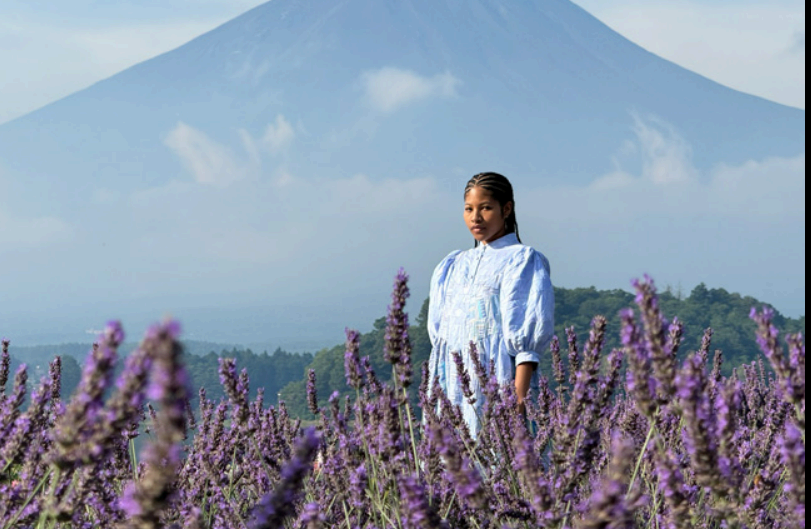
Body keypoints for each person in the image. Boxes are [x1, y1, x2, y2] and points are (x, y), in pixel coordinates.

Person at [426, 172, 555, 437]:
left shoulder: (521, 260)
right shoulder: (451, 266)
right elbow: (439, 341)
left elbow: (526, 346)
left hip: (497, 388)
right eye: (469, 209)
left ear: (506, 209)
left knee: (500, 469)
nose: (475, 217)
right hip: (451, 392)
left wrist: (517, 404)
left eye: (485, 208)